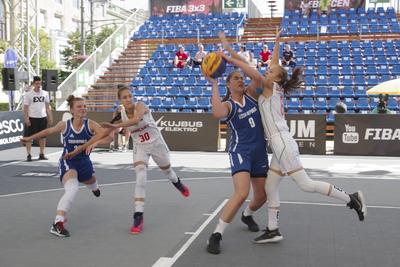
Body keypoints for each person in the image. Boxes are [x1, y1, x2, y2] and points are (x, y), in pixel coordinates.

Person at [219, 29, 367, 244]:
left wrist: (227, 56)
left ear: (276, 79)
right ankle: (273, 229)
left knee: (305, 184)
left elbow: (253, 71)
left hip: (283, 144)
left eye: (271, 72)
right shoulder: (274, 83)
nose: (267, 72)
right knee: (270, 187)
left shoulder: (271, 85)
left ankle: (352, 199)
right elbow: (273, 64)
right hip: (278, 144)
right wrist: (276, 42)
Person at [64, 85, 190, 235]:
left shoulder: (141, 106)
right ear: (120, 100)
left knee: (168, 171)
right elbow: (108, 131)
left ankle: (177, 182)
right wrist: (94, 143)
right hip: (140, 147)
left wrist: (116, 125)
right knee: (141, 176)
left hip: (156, 144)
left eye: (130, 96)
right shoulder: (120, 114)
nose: (128, 99)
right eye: (124, 97)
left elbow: (136, 120)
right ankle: (138, 216)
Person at [205, 32, 268, 255]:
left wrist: (231, 58)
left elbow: (259, 77)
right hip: (241, 151)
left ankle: (247, 215)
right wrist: (213, 84)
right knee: (241, 193)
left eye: (242, 77)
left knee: (262, 196)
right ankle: (216, 235)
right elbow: (216, 113)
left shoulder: (252, 95)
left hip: (260, 151)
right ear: (229, 84)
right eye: (236, 78)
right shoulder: (229, 105)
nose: (241, 80)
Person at [21, 95, 112, 237]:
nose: (83, 108)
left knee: (92, 181)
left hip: (84, 161)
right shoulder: (65, 125)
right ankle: (58, 223)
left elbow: (108, 137)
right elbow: (47, 131)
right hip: (68, 161)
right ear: (72, 111)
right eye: (79, 106)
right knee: (72, 188)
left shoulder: (91, 124)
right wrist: (30, 138)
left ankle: (94, 187)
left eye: (84, 106)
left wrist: (95, 143)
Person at [23, 76, 53, 161]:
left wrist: (50, 117)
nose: (38, 85)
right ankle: (29, 155)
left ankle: (42, 154)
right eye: (37, 83)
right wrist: (26, 118)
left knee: (43, 137)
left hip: (42, 118)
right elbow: (25, 108)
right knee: (29, 137)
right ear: (33, 84)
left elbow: (47, 107)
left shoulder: (45, 93)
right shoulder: (28, 94)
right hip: (32, 118)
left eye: (39, 83)